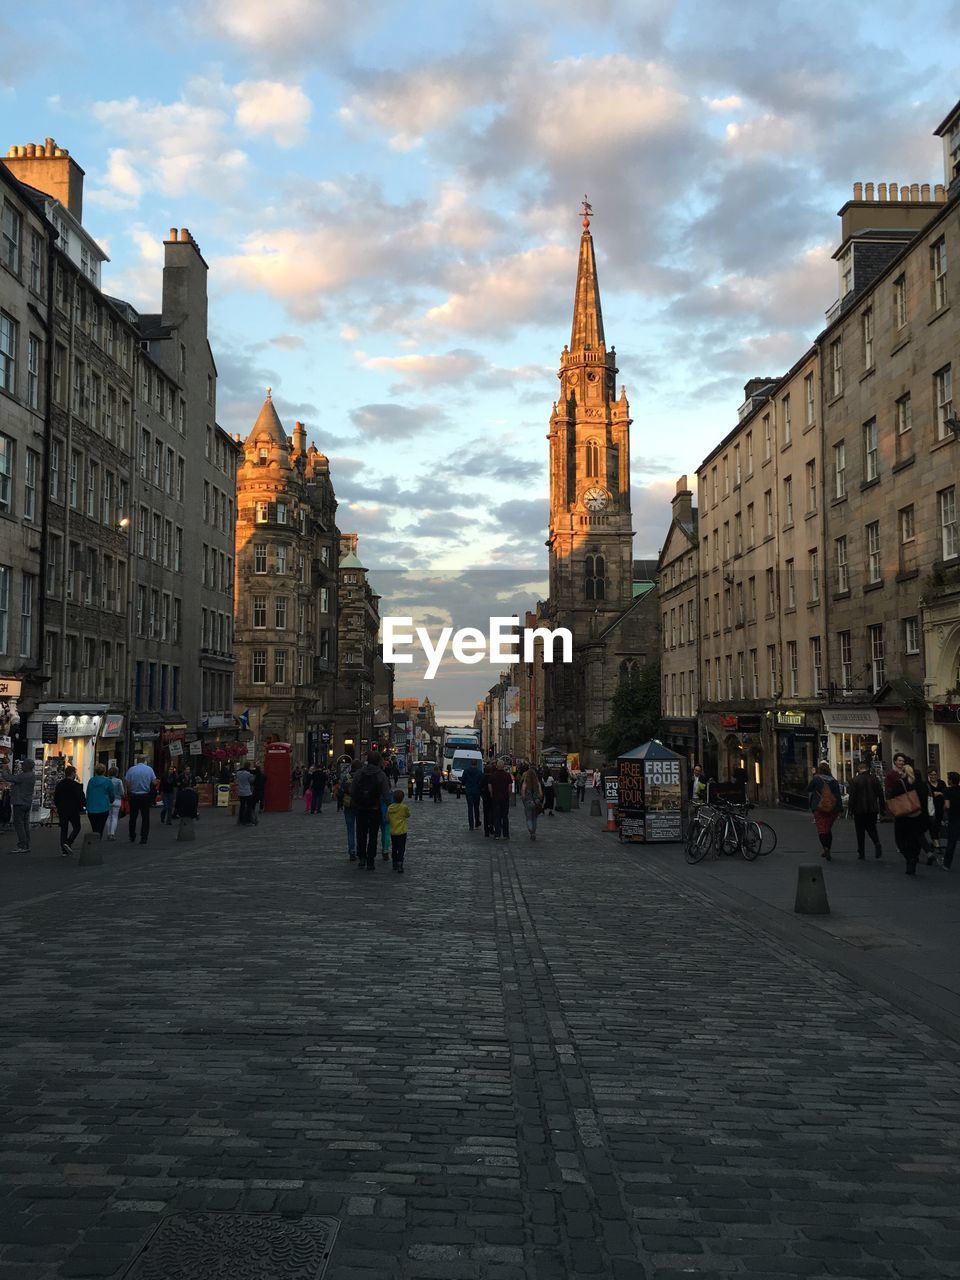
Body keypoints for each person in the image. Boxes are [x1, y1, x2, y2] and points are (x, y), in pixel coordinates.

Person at [884, 753, 924, 875]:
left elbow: (891, 797)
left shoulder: (899, 783)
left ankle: (909, 859)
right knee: (914, 838)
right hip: (917, 814)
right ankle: (913, 857)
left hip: (902, 815)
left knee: (900, 840)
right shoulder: (919, 784)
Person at [351, 751, 391, 870]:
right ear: (378, 761)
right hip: (374, 808)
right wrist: (390, 805)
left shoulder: (359, 773)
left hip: (361, 808)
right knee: (373, 835)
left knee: (361, 834)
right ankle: (370, 860)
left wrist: (356, 801)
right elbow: (386, 794)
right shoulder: (381, 775)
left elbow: (352, 790)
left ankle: (362, 858)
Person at [846, 761, 884, 859]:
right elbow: (880, 794)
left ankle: (861, 852)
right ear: (867, 769)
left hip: (859, 810)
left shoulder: (855, 780)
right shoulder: (874, 779)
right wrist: (882, 808)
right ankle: (877, 843)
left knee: (860, 831)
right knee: (872, 828)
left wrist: (850, 809)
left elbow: (852, 797)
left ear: (859, 770)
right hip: (872, 808)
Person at [808, 761, 842, 861]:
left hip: (819, 807)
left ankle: (825, 848)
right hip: (832, 809)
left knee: (822, 829)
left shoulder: (816, 779)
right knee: (828, 829)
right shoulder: (834, 781)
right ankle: (828, 849)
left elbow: (808, 789)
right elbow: (838, 796)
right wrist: (839, 808)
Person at [1, 758, 36, 853]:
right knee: (25, 824)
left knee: (19, 825)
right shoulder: (32, 775)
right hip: (27, 802)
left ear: (27, 766)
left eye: (23, 765)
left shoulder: (24, 776)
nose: (21, 766)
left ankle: (22, 845)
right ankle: (26, 844)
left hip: (19, 802)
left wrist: (4, 770)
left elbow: (10, 778)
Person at [124, 755, 157, 845]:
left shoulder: (131, 769)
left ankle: (132, 835)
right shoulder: (149, 769)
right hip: (145, 795)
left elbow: (127, 782)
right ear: (144, 760)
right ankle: (144, 837)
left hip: (134, 795)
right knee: (145, 817)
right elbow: (154, 782)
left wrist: (130, 791)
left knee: (133, 817)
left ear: (137, 760)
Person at [54, 766, 86, 856]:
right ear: (72, 773)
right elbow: (80, 797)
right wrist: (82, 806)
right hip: (73, 809)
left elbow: (56, 797)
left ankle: (64, 849)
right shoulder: (75, 785)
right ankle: (68, 842)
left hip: (62, 809)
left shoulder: (60, 784)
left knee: (64, 829)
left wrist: (58, 806)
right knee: (77, 827)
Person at [925, 767, 947, 863]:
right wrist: (933, 794)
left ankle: (935, 841)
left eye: (935, 775)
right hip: (931, 808)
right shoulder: (926, 784)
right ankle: (936, 844)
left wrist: (941, 793)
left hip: (940, 808)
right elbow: (924, 794)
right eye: (931, 775)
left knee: (938, 825)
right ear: (928, 775)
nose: (933, 776)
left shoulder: (941, 783)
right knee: (932, 826)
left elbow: (946, 793)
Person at [85, 764, 114, 838]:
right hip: (103, 807)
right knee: (100, 827)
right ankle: (97, 841)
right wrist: (111, 800)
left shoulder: (91, 781)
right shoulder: (108, 781)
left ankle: (95, 841)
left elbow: (88, 792)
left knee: (94, 828)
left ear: (95, 771)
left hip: (91, 807)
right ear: (104, 771)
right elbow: (112, 794)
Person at [387, 788, 410, 872]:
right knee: (401, 848)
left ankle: (394, 863)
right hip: (402, 831)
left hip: (393, 831)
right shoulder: (404, 807)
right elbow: (408, 815)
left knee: (394, 847)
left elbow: (387, 819)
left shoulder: (390, 808)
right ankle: (400, 863)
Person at [941, 771, 960, 870]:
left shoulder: (947, 791)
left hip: (953, 818)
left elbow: (947, 805)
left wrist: (944, 809)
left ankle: (946, 864)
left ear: (950, 780)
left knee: (951, 842)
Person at [342, 760, 360, 859]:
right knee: (360, 829)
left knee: (350, 829)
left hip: (348, 804)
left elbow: (343, 788)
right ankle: (361, 849)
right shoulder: (361, 776)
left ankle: (352, 850)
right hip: (359, 804)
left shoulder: (347, 777)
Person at [490, 760, 512, 839]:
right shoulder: (507, 775)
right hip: (505, 798)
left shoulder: (493, 775)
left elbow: (490, 786)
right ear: (504, 766)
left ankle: (497, 834)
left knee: (496, 816)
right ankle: (506, 834)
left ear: (497, 766)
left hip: (496, 798)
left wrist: (492, 794)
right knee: (505, 816)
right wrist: (508, 795)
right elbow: (510, 786)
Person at [521, 765, 544, 841]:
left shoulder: (525, 783)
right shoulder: (537, 783)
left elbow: (523, 794)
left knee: (529, 818)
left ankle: (531, 831)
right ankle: (534, 832)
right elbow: (541, 794)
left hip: (528, 802)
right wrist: (538, 799)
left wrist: (524, 800)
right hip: (536, 802)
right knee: (534, 818)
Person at [461, 759, 483, 831]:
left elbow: (463, 780)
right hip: (476, 791)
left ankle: (471, 825)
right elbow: (481, 782)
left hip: (469, 791)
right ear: (476, 764)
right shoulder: (479, 772)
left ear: (471, 764)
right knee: (476, 807)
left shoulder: (466, 771)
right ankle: (477, 822)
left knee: (470, 808)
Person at [105, 765, 124, 840]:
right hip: (117, 800)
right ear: (117, 773)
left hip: (107, 800)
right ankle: (112, 834)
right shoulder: (119, 781)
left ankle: (108, 833)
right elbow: (122, 792)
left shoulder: (106, 780)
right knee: (115, 817)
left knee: (108, 817)